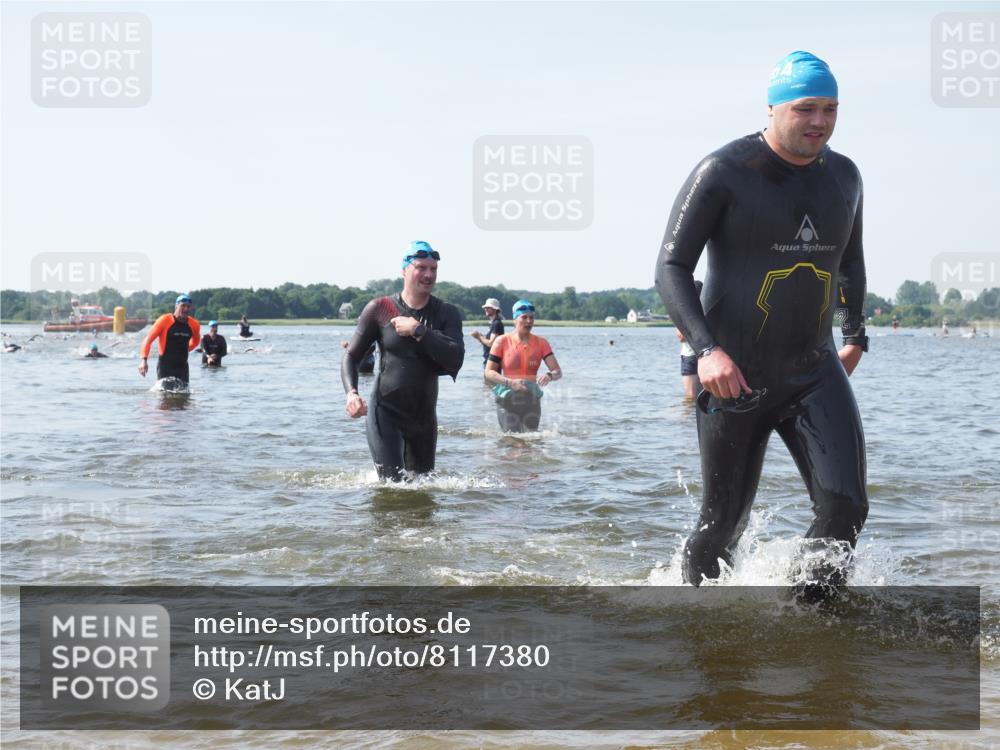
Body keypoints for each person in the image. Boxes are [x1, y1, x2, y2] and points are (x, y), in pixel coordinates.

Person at [654, 51, 869, 591]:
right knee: (723, 521)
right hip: (735, 376)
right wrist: (707, 351)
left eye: (830, 109)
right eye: (805, 109)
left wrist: (855, 335)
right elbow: (671, 267)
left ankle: (812, 622)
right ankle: (698, 616)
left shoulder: (845, 176)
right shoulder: (724, 172)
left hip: (815, 370)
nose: (819, 121)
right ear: (772, 109)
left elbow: (851, 262)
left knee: (846, 508)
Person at [341, 241, 464, 481]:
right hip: (385, 411)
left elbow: (455, 359)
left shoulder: (446, 313)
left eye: (433, 269)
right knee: (392, 486)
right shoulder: (380, 308)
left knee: (423, 488)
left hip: (424, 417)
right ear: (404, 270)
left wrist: (419, 331)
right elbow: (351, 356)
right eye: (421, 268)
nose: (428, 275)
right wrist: (351, 393)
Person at [484, 300, 563, 432]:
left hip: (531, 398)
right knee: (513, 440)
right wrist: (510, 383)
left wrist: (549, 375)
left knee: (531, 441)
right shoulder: (502, 341)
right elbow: (489, 372)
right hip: (507, 398)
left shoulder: (541, 343)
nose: (528, 321)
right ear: (515, 319)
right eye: (524, 317)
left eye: (531, 317)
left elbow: (557, 371)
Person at [139, 294, 201, 383]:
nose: (186, 309)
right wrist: (143, 360)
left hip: (182, 367)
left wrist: (187, 348)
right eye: (183, 306)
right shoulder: (164, 321)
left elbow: (196, 341)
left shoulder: (194, 324)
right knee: (164, 395)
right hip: (165, 367)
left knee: (184, 395)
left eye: (188, 306)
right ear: (176, 306)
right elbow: (148, 340)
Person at [678, 281, 704, 399]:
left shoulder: (686, 309)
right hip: (707, 353)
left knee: (690, 395)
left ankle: (688, 417)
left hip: (690, 355)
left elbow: (681, 337)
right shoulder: (707, 306)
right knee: (704, 393)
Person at [470, 298, 505, 367]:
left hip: (492, 361)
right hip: (491, 360)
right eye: (485, 307)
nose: (485, 309)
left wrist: (479, 336)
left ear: (495, 309)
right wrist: (480, 337)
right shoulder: (495, 323)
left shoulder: (496, 324)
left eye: (488, 307)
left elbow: (491, 343)